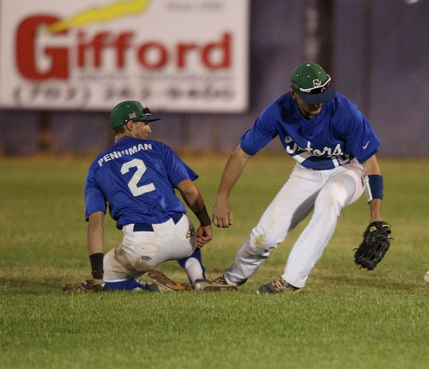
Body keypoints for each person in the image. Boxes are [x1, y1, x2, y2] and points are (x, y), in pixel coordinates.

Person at [210, 63, 387, 294]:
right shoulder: (278, 112)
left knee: (330, 198)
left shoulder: (345, 111)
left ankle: (293, 279)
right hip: (306, 172)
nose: (318, 101)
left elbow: (370, 164)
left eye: (322, 94)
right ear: (293, 93)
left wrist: (376, 215)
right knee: (265, 236)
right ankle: (232, 279)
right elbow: (241, 154)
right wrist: (222, 197)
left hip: (348, 170)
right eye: (311, 96)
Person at [66, 100, 235, 292]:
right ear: (130, 125)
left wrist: (97, 278)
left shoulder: (97, 166)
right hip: (182, 234)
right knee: (186, 233)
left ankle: (149, 288)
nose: (149, 129)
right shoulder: (158, 149)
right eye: (144, 124)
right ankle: (199, 279)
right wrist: (205, 223)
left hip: (141, 245)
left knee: (106, 281)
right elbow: (190, 191)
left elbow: (95, 225)